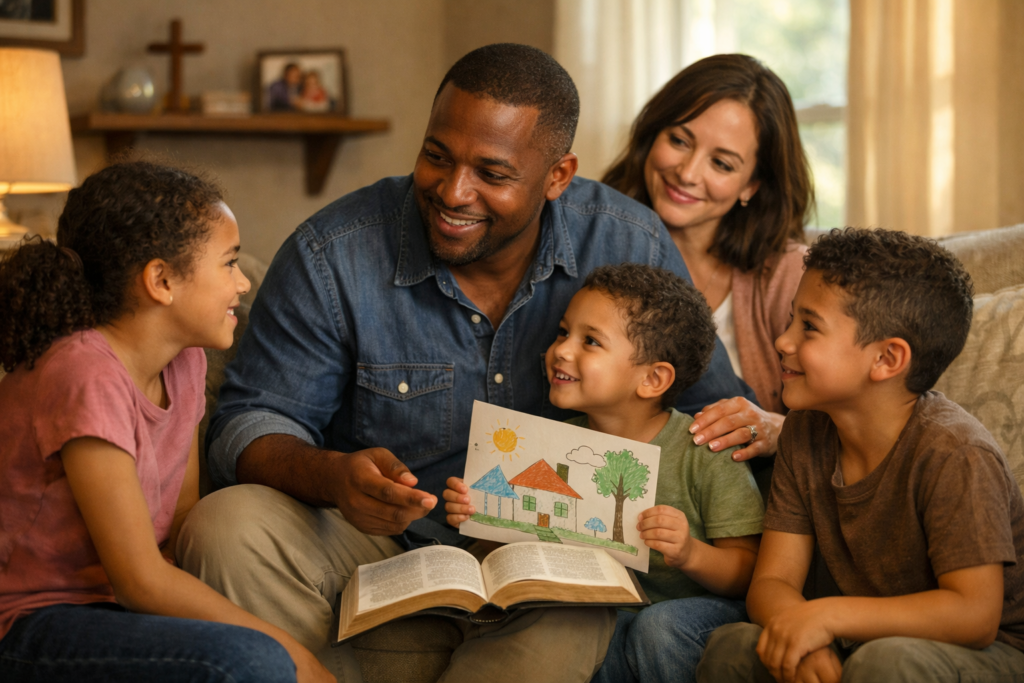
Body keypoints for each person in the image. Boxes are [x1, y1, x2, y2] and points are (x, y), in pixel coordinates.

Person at [182, 43, 754, 682]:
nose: (454, 192)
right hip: (379, 549)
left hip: (552, 573)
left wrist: (774, 430)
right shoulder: (332, 254)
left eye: (494, 173)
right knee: (224, 526)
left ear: (558, 177)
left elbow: (710, 412)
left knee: (584, 604)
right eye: (436, 156)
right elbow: (247, 423)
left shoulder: (629, 241)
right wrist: (332, 476)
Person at [0, 162, 333, 683]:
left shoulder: (185, 362)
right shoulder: (85, 375)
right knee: (257, 661)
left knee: (256, 654)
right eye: (229, 263)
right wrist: (292, 654)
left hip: (111, 611)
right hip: (31, 621)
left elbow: (178, 531)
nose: (243, 282)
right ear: (160, 280)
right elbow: (140, 580)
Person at [697, 228, 1024, 682]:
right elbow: (772, 584)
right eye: (792, 319)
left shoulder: (956, 453)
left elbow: (975, 614)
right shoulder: (805, 433)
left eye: (808, 326)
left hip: (986, 654)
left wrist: (825, 618)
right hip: (857, 638)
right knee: (733, 647)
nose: (782, 341)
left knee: (885, 663)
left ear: (887, 360)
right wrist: (800, 630)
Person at [445, 263, 764, 683]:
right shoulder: (552, 445)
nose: (560, 350)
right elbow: (526, 529)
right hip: (607, 614)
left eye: (590, 341)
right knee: (583, 628)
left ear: (653, 379)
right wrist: (478, 512)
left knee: (657, 629)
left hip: (692, 615)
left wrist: (689, 552)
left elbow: (748, 572)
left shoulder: (705, 450)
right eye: (563, 332)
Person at [603, 54, 814, 464]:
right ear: (653, 134)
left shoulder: (790, 275)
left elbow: (861, 416)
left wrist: (776, 428)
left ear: (751, 184)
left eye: (721, 163)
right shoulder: (590, 237)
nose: (687, 172)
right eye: (679, 141)